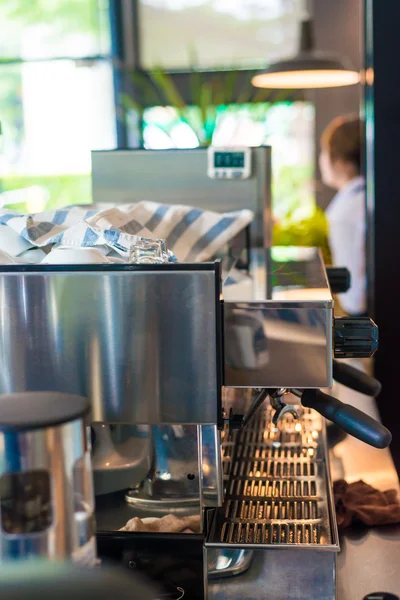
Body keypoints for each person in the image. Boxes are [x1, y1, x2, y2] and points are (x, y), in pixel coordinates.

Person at [319, 115, 366, 316]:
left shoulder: (345, 210)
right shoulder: (368, 196)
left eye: (324, 151)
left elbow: (355, 298)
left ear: (339, 162)